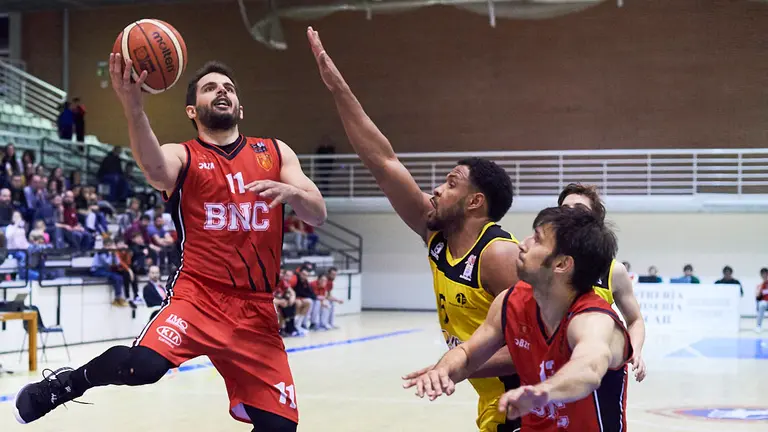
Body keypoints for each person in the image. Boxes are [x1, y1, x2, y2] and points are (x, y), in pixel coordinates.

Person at [13, 55, 326, 432]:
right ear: (192, 110)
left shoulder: (274, 153)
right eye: (211, 88)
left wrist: (292, 191)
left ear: (240, 107)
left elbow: (317, 213)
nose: (221, 91)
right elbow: (154, 168)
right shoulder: (185, 154)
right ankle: (66, 384)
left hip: (256, 310)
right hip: (198, 295)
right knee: (143, 367)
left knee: (280, 427)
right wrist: (133, 108)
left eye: (228, 88)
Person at [308, 27, 521, 432]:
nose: (437, 189)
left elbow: (537, 345)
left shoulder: (499, 255)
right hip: (494, 405)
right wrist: (338, 89)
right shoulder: (436, 234)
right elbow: (383, 162)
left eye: (452, 183)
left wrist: (456, 363)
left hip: (531, 405)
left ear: (476, 202)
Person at [404, 206, 631, 431]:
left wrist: (543, 392)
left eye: (537, 240)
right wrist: (443, 369)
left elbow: (588, 369)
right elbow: (467, 353)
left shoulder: (593, 319)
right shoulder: (511, 301)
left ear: (562, 264)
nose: (523, 244)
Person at [556, 183, 647, 382]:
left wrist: (635, 351)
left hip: (598, 373)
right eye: (564, 209)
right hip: (552, 367)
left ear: (595, 221)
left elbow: (635, 320)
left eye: (579, 210)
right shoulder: (542, 264)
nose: (569, 215)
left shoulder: (613, 271)